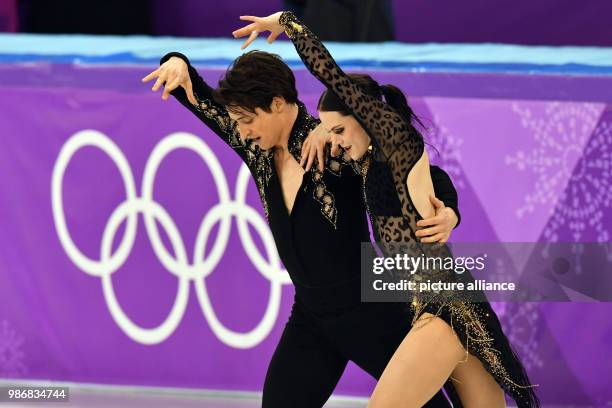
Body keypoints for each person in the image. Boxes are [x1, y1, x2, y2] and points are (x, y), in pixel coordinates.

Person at [232, 10, 540, 408]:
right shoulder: (366, 162)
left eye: (341, 131)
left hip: (444, 305)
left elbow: (331, 76)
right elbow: (428, 177)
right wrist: (326, 129)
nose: (336, 142)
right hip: (434, 304)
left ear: (366, 117)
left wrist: (290, 25)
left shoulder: (397, 143)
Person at [142, 40, 462, 407]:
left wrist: (448, 210)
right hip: (311, 318)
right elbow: (193, 90)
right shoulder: (254, 147)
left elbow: (416, 171)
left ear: (278, 103)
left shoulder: (330, 142)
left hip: (370, 312)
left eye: (247, 120)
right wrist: (175, 60)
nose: (242, 132)